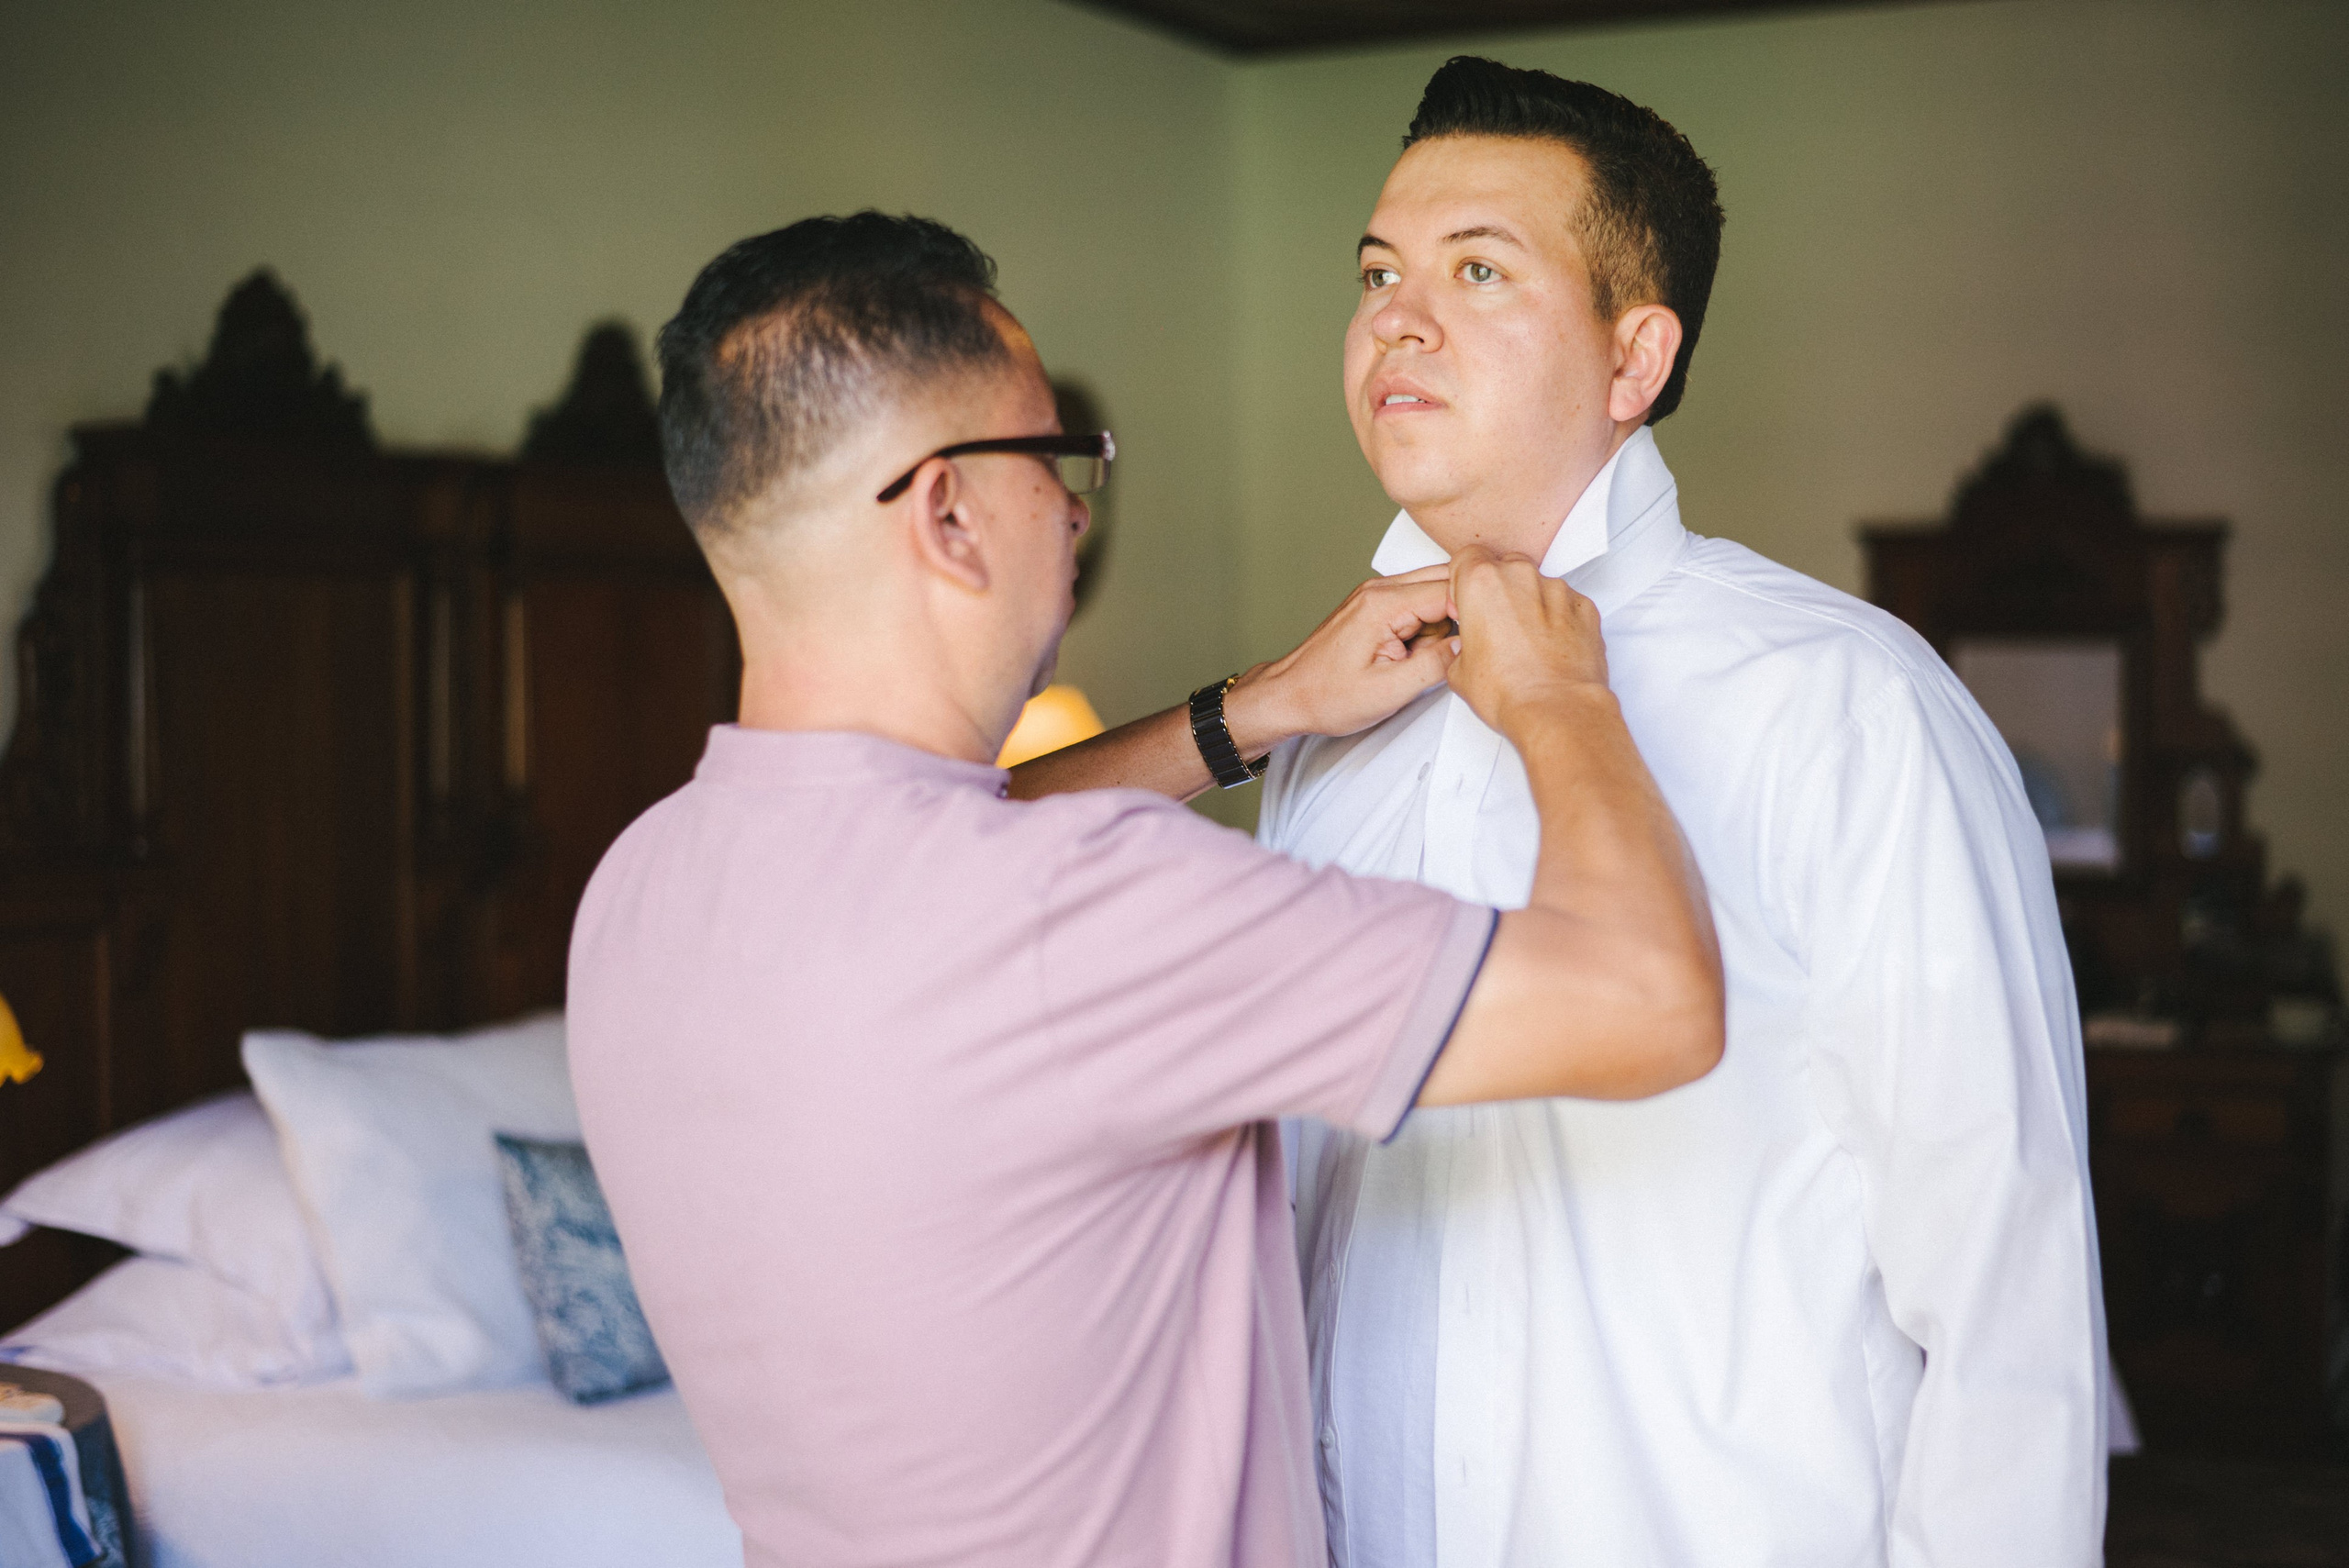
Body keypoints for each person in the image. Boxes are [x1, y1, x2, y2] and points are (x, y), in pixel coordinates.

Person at [565, 211, 1722, 1568]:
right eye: (1057, 461)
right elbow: (1649, 999)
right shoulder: (1087, 910)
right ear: (948, 512)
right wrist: (1561, 699)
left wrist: (1261, 709)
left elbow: (947, 851)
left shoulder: (642, 889)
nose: (1072, 506)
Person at [1228, 56, 2101, 1566]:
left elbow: (2005, 1301)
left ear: (1634, 358)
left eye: (1478, 268)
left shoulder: (1849, 707)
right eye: (1377, 271)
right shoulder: (1330, 727)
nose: (1396, 319)